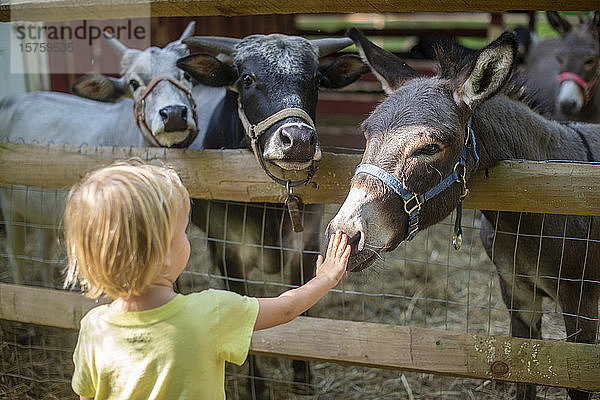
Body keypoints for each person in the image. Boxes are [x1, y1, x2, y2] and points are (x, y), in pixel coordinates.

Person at [63, 159, 350, 400]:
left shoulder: (94, 328)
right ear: (163, 255)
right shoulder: (210, 312)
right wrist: (326, 277)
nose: (188, 240)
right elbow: (287, 307)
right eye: (182, 233)